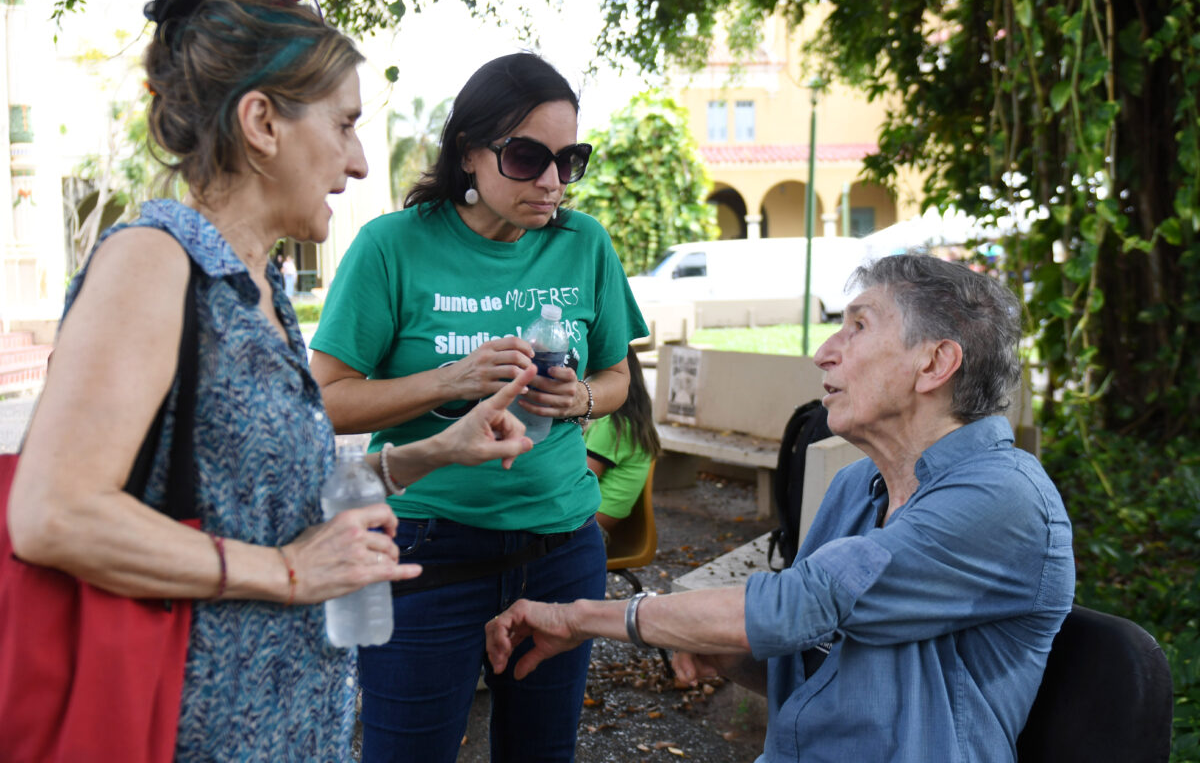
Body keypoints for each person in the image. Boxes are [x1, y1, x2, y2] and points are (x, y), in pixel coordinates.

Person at [6, 0, 537, 760]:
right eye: (345, 124)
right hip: (187, 727)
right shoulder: (153, 263)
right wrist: (286, 572)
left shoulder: (257, 283)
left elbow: (258, 491)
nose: (358, 164)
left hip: (290, 724)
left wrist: (430, 454)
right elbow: (54, 515)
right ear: (262, 122)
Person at [487, 254, 1076, 762]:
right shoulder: (854, 488)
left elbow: (805, 603)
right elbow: (808, 656)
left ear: (934, 364)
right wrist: (729, 654)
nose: (825, 353)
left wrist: (580, 617)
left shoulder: (1003, 497)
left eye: (857, 327)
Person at [309, 52, 648, 762]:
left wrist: (581, 396)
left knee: (541, 753)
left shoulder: (583, 244)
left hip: (561, 547)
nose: (552, 182)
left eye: (570, 159)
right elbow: (327, 403)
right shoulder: (390, 247)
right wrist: (449, 380)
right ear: (469, 152)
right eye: (528, 157)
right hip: (426, 551)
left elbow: (618, 376)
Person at [585, 346, 660, 541]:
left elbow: (579, 481)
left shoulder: (611, 427)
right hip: (605, 523)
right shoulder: (633, 423)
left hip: (590, 528)